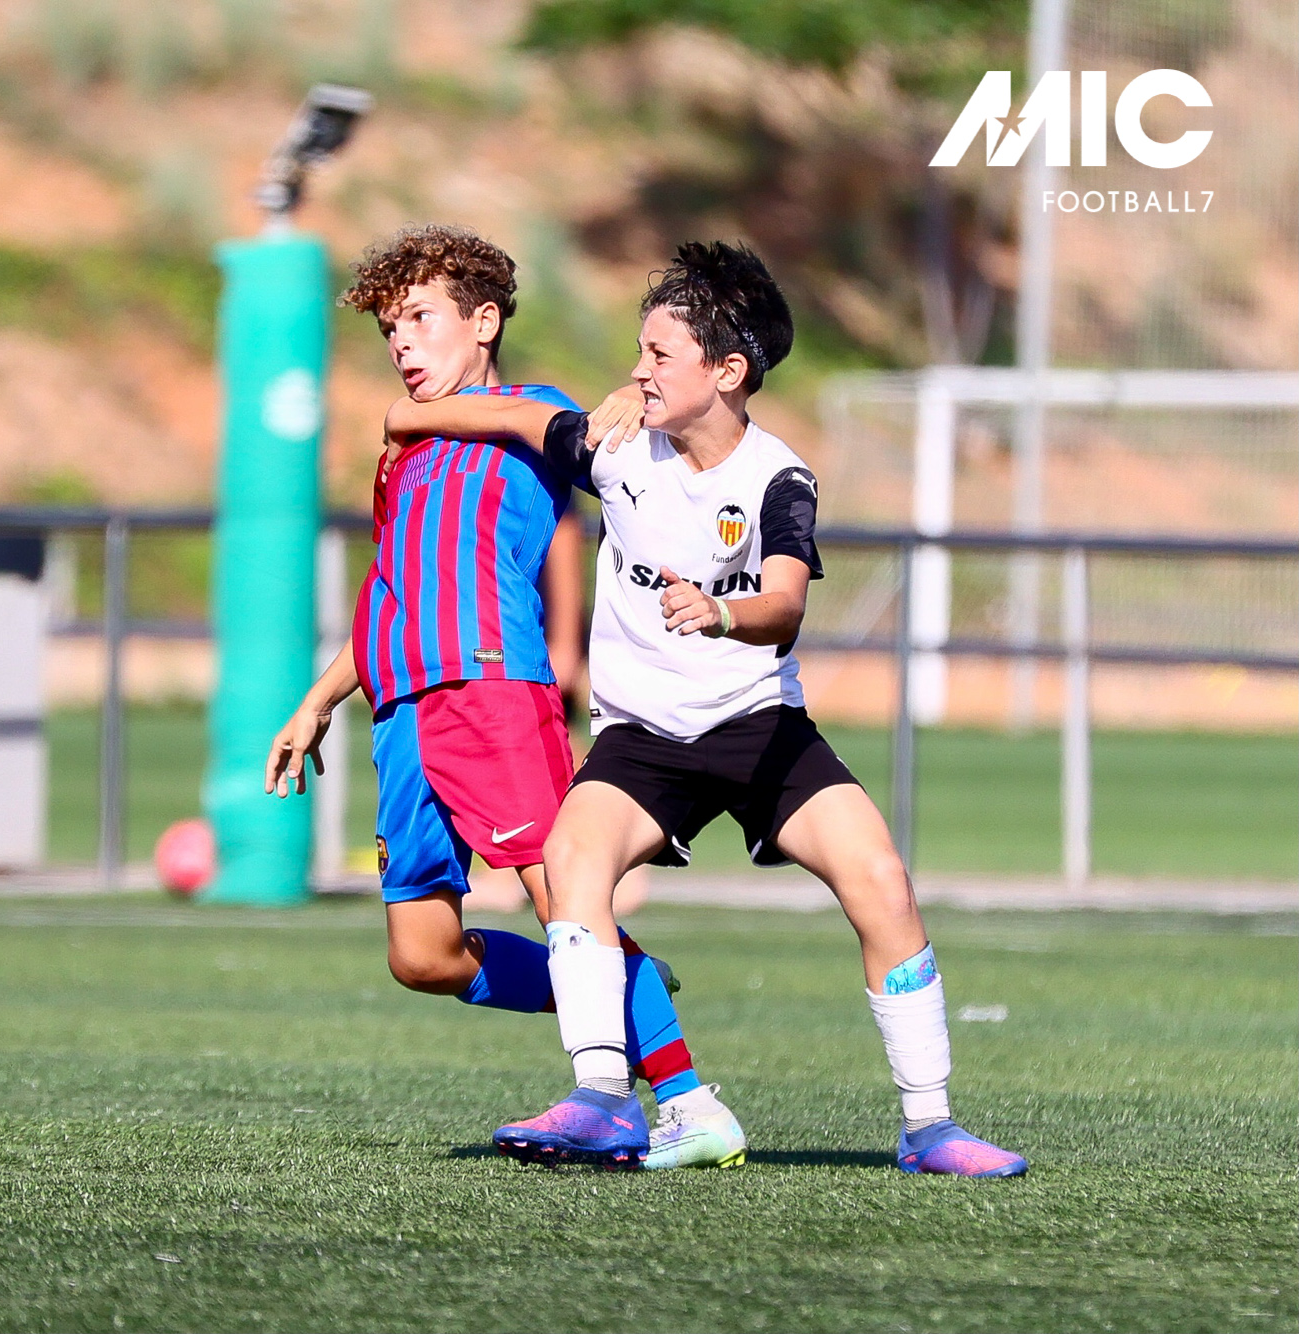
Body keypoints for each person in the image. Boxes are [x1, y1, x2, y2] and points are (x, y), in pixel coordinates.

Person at [381, 241, 1028, 1177]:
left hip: (758, 730)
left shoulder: (778, 479)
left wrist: (723, 613)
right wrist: (407, 414)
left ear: (726, 373)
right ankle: (604, 1100)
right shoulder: (614, 450)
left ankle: (931, 1127)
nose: (638, 370)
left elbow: (785, 605)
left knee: (881, 880)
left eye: (659, 355)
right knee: (573, 859)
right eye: (638, 352)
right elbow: (516, 417)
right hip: (644, 741)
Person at [265, 224, 744, 1169]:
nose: (401, 343)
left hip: (489, 688)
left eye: (420, 319)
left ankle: (689, 1103)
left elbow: (642, 447)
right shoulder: (404, 447)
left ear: (483, 322)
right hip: (400, 709)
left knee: (561, 894)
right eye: (389, 329)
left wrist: (630, 399)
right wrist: (319, 699)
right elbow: (391, 587)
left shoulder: (536, 413)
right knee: (422, 956)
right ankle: (618, 981)